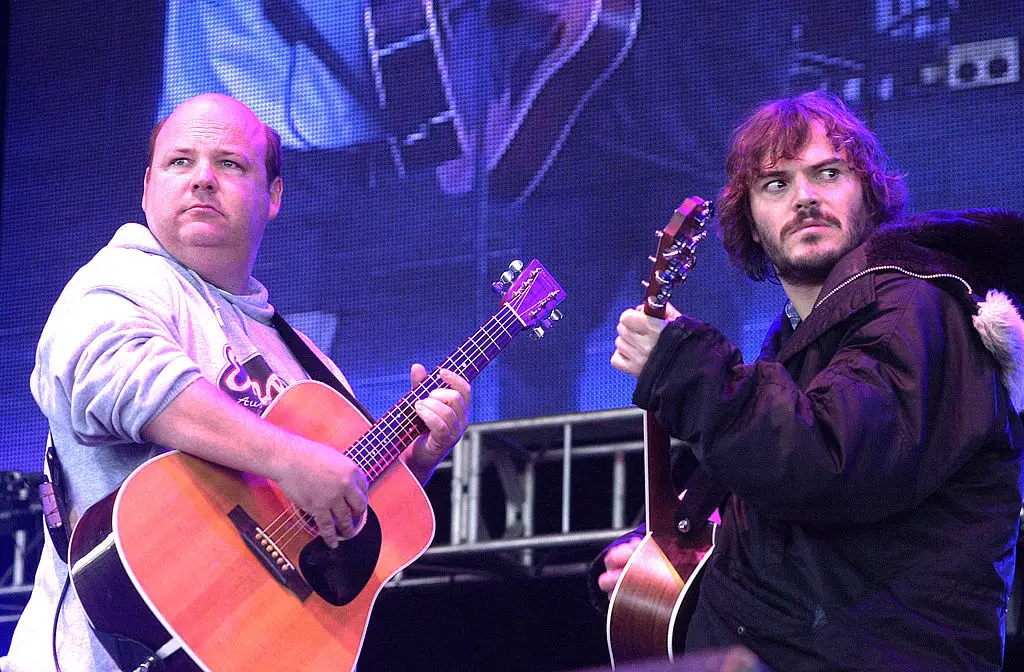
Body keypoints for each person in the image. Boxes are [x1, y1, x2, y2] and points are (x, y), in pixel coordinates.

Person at [1, 93, 471, 672]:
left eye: (229, 163)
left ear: (273, 195)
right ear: (147, 187)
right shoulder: (122, 278)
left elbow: (336, 541)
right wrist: (290, 459)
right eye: (180, 162)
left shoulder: (308, 367)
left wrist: (411, 465)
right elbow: (126, 377)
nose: (202, 180)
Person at [593, 91, 1024, 670]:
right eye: (776, 185)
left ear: (869, 193)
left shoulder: (913, 306)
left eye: (828, 173)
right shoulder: (795, 352)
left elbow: (827, 459)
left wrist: (686, 367)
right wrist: (642, 568)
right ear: (749, 219)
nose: (805, 198)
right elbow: (770, 525)